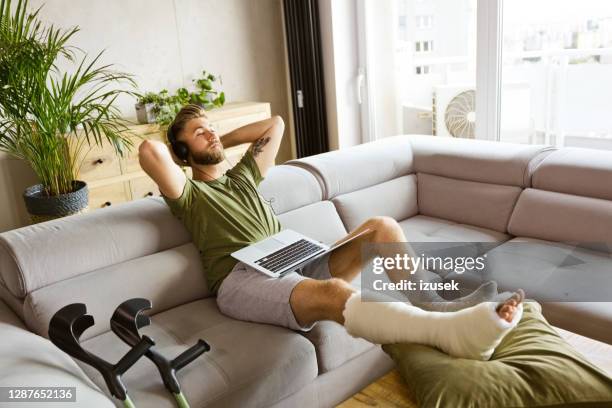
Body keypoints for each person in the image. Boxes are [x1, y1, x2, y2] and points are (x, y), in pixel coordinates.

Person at [138, 104, 524, 361]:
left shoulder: (241, 179)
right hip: (242, 278)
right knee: (337, 294)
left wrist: (220, 134)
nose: (209, 134)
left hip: (292, 257)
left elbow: (275, 125)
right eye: (198, 132)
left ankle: (435, 307)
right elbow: (148, 151)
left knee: (383, 227)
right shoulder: (189, 194)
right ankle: (445, 335)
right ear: (182, 151)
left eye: (210, 128)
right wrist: (181, 152)